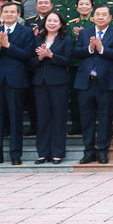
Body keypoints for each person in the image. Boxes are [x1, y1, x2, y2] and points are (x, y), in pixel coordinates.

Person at [0, 2, 35, 166]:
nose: (9, 14)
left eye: (13, 12)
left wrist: (9, 46)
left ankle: (15, 154)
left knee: (16, 119)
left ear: (18, 14)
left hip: (16, 80)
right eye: (6, 12)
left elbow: (28, 55)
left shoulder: (26, 32)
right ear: (1, 14)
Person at [73, 4, 113, 165]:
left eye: (104, 14)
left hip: (106, 83)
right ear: (93, 17)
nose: (100, 17)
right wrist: (89, 48)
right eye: (98, 14)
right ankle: (88, 151)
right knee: (87, 119)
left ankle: (102, 151)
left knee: (105, 118)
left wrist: (102, 49)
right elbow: (76, 52)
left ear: (110, 17)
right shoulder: (85, 32)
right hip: (86, 82)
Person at [29, 11, 73, 165]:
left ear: (60, 24)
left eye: (55, 21)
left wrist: (51, 55)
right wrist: (40, 58)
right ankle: (42, 153)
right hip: (40, 83)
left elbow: (68, 60)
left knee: (58, 118)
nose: (52, 23)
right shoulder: (37, 39)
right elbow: (30, 62)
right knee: (42, 118)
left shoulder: (66, 39)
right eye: (49, 20)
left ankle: (57, 152)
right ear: (45, 22)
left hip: (59, 83)